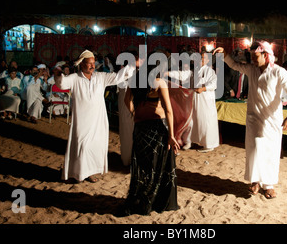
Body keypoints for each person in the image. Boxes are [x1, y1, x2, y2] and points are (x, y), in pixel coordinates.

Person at [214, 42, 287, 199]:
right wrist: (224, 53)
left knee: (270, 152)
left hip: (272, 121)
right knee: (254, 150)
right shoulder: (252, 69)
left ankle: (269, 185)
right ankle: (255, 181)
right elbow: (234, 64)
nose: (252, 58)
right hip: (253, 118)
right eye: (251, 55)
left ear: (265, 55)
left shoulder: (279, 72)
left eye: (255, 55)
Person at [54, 50, 130, 183]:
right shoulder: (74, 78)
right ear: (82, 64)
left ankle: (89, 173)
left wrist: (131, 66)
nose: (92, 66)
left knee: (94, 146)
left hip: (97, 121)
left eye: (93, 63)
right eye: (89, 64)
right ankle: (79, 173)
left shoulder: (100, 77)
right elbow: (61, 83)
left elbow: (118, 77)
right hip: (82, 121)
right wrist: (58, 74)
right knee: (82, 146)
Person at [122, 60, 180, 215]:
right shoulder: (159, 83)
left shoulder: (134, 81)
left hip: (140, 128)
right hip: (157, 127)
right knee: (158, 165)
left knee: (142, 165)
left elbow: (126, 100)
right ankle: (154, 201)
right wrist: (172, 135)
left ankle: (140, 198)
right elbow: (168, 111)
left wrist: (134, 112)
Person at [189, 51, 220, 152]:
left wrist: (203, 89)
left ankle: (209, 145)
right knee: (196, 120)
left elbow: (213, 84)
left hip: (206, 101)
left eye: (203, 58)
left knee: (206, 121)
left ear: (207, 60)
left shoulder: (210, 71)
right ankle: (196, 141)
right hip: (196, 100)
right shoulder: (195, 70)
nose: (201, 60)